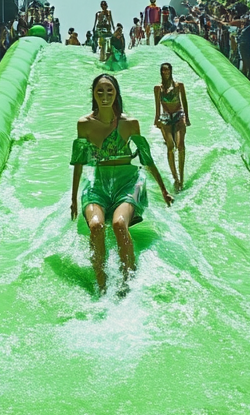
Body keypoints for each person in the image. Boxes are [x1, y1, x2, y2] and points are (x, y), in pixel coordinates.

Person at [70, 74, 173, 296]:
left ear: (116, 93)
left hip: (127, 181)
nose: (105, 96)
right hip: (99, 182)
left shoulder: (130, 123)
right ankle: (102, 284)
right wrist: (73, 200)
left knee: (118, 224)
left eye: (109, 91)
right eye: (100, 91)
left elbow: (145, 158)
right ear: (93, 95)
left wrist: (163, 190)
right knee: (96, 226)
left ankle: (127, 283)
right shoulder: (84, 124)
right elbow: (78, 161)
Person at [154, 63, 190, 192]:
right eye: (163, 70)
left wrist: (187, 117)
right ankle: (175, 178)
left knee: (180, 145)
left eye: (167, 69)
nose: (165, 72)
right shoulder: (158, 88)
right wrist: (157, 119)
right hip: (166, 117)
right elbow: (157, 104)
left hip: (179, 115)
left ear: (171, 71)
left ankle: (182, 177)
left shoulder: (178, 86)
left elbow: (184, 101)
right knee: (170, 146)